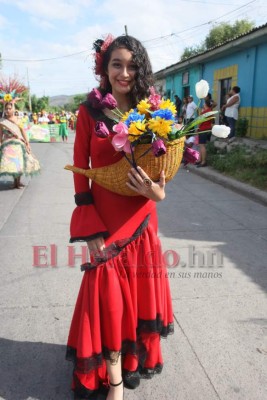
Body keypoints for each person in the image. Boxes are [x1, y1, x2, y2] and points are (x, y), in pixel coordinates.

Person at [66, 34, 174, 400]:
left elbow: (161, 182)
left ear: (139, 69)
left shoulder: (152, 114)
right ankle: (114, 385)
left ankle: (130, 364)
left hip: (142, 221)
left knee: (137, 300)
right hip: (106, 223)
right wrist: (90, 224)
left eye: (131, 65)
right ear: (105, 67)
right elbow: (81, 168)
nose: (124, 72)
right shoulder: (89, 112)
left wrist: (155, 192)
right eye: (117, 64)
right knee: (108, 301)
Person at [0, 102, 40, 188]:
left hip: (18, 144)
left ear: (13, 109)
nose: (7, 110)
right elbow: (0, 133)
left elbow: (23, 132)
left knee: (20, 163)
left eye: (9, 108)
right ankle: (15, 182)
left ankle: (18, 181)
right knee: (12, 164)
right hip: (7, 144)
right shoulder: (2, 121)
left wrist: (27, 143)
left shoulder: (18, 120)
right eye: (6, 108)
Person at [195, 99, 213, 167]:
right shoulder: (211, 111)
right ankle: (200, 159)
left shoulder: (204, 112)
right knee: (201, 145)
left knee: (202, 145)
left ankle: (203, 161)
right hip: (207, 129)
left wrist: (197, 128)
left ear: (205, 104)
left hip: (202, 129)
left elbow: (200, 121)